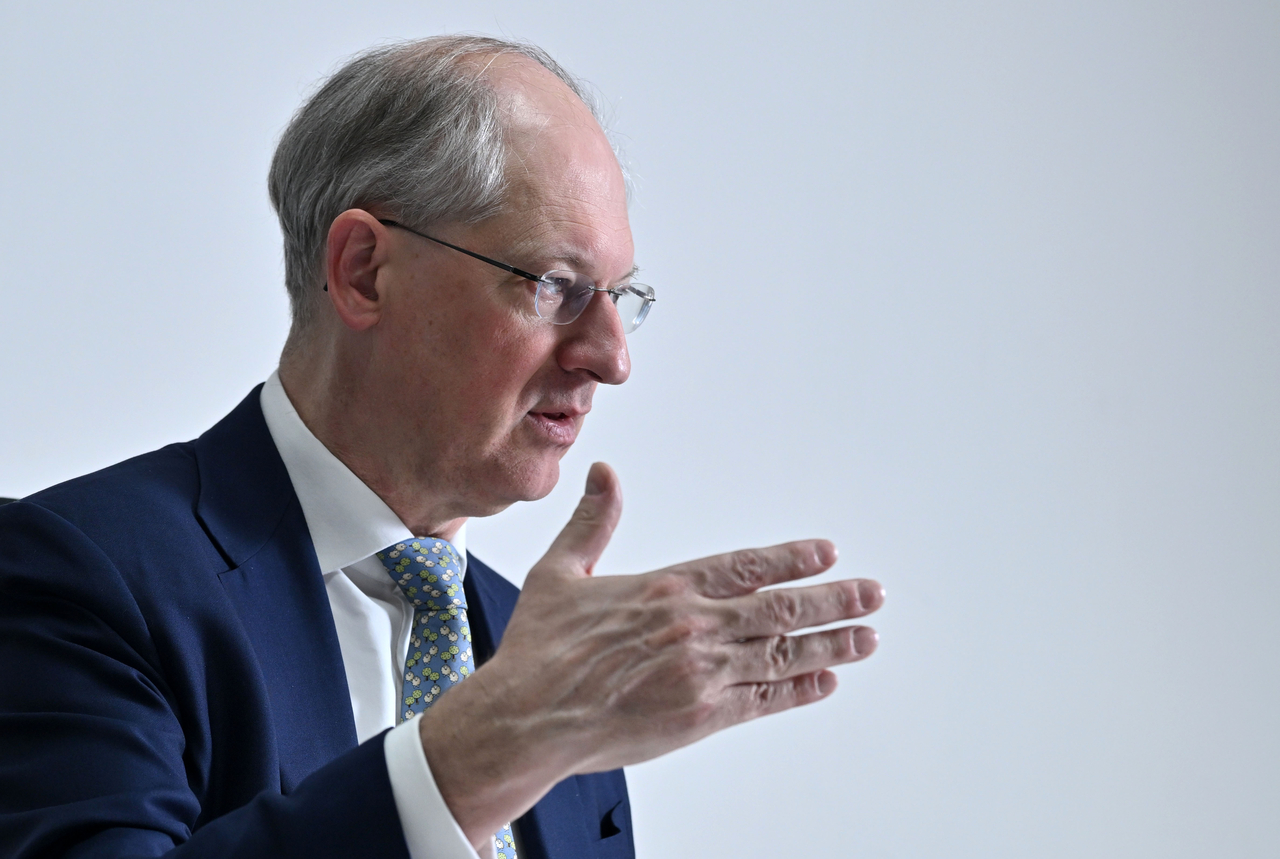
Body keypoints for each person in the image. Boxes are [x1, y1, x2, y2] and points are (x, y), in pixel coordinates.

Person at [0, 34, 884, 859]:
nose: (612, 357)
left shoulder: (546, 659)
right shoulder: (81, 575)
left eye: (624, 295)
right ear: (364, 272)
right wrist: (474, 758)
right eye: (556, 285)